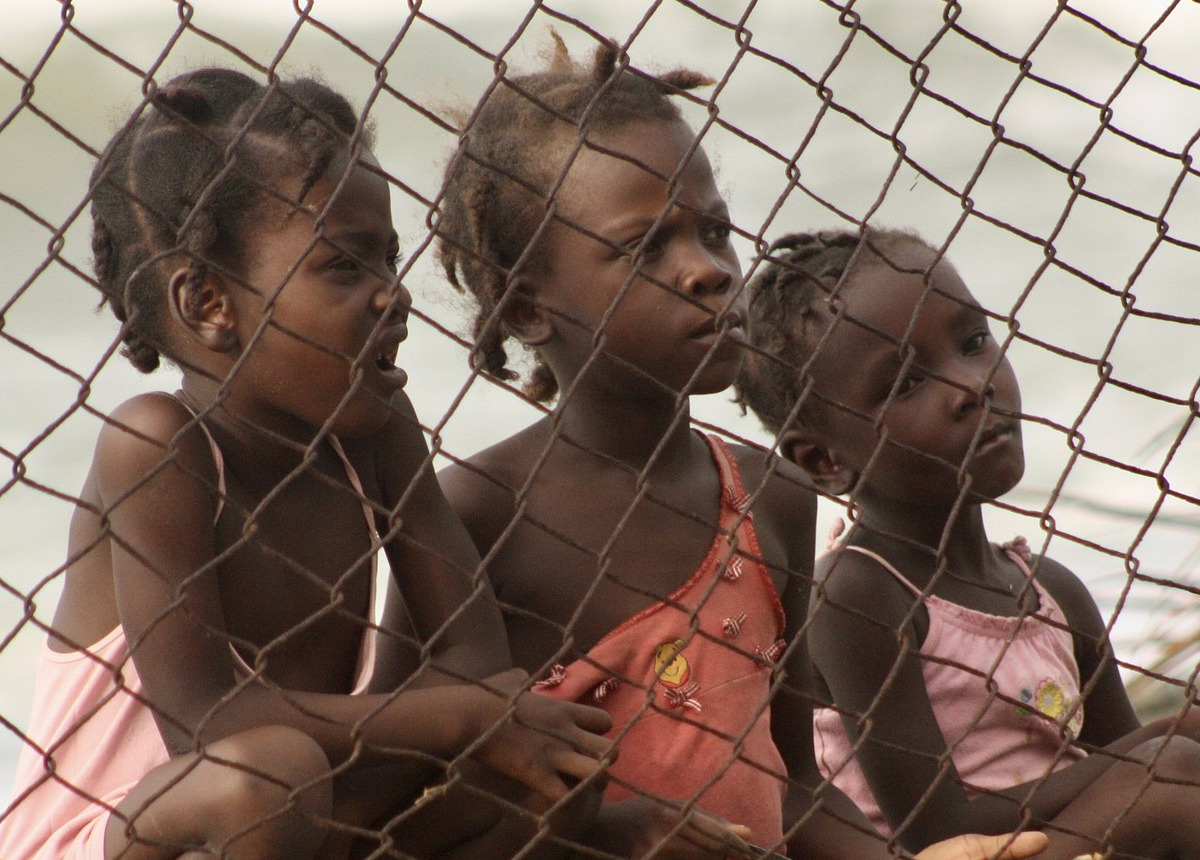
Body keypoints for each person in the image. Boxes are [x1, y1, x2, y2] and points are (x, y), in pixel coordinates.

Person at [432, 33, 1049, 860]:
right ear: (527, 310)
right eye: (645, 248)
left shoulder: (768, 495)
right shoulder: (479, 511)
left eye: (713, 231)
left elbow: (789, 781)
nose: (710, 271)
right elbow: (420, 804)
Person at [0, 67, 615, 860]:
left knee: (541, 769)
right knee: (279, 769)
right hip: (121, 827)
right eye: (346, 267)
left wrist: (474, 714)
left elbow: (475, 657)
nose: (394, 295)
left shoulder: (376, 429)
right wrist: (460, 714)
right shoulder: (159, 445)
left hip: (308, 799)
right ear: (209, 305)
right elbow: (209, 720)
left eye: (390, 261)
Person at [734, 226, 1200, 858]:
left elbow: (1122, 755)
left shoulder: (1051, 591)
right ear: (823, 460)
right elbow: (936, 825)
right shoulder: (861, 594)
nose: (971, 386)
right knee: (1171, 781)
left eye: (975, 342)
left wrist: (1165, 746)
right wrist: (1170, 737)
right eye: (906, 384)